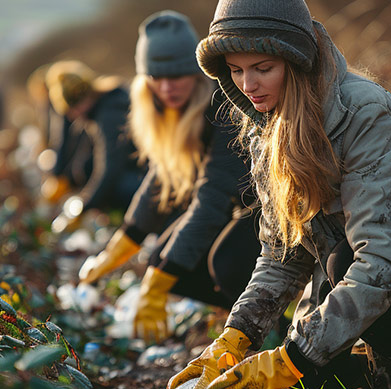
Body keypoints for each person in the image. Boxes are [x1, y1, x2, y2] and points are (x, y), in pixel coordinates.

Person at [167, 1, 391, 389]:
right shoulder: (264, 130)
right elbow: (280, 255)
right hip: (361, 279)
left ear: (296, 61)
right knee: (308, 382)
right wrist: (237, 336)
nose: (247, 85)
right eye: (236, 70)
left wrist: (290, 359)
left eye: (262, 68)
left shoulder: (365, 113)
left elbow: (382, 259)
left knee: (337, 273)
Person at [78, 10, 262, 344]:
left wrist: (155, 285)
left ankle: (263, 324)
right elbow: (160, 178)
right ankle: (247, 313)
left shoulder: (222, 105)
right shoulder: (162, 108)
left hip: (264, 209)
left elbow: (212, 200)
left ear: (196, 71)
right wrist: (119, 247)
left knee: (224, 262)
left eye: (177, 74)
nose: (166, 87)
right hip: (235, 207)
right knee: (159, 257)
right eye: (156, 77)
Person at [44, 60, 144, 219]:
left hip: (142, 175)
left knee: (116, 188)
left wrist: (84, 205)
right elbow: (86, 159)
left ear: (78, 101)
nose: (71, 116)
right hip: (138, 172)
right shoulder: (100, 109)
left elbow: (110, 168)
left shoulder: (109, 114)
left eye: (70, 110)